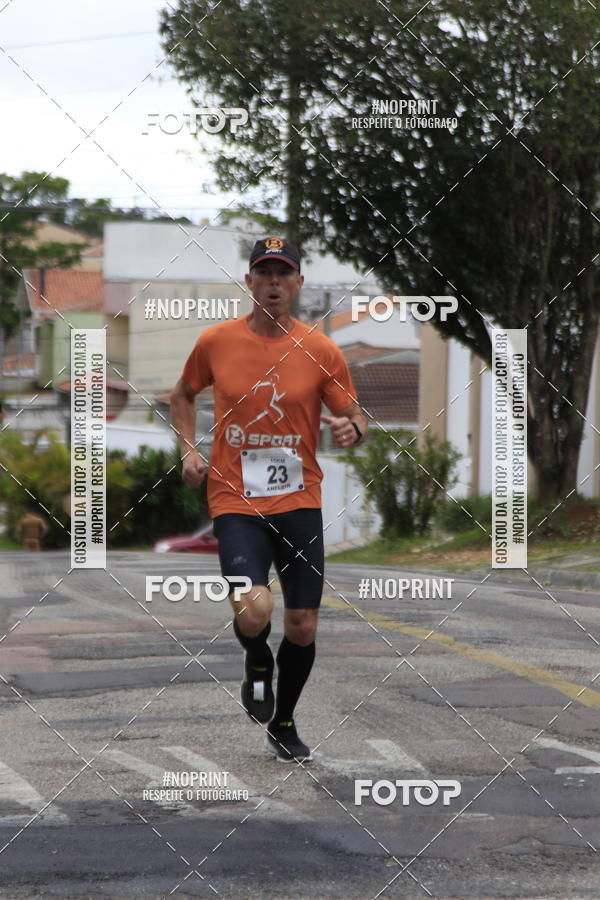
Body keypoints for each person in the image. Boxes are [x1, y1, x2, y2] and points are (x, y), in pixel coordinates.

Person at [170, 237, 368, 762]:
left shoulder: (321, 350)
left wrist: (351, 429)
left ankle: (284, 722)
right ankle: (257, 659)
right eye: (264, 272)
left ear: (298, 283)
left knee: (303, 623)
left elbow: (354, 414)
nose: (273, 282)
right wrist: (188, 450)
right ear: (250, 281)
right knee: (254, 608)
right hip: (235, 499)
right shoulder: (216, 341)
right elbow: (182, 395)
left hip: (299, 499)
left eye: (283, 273)